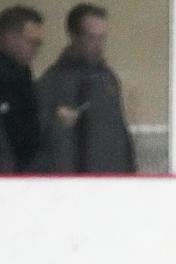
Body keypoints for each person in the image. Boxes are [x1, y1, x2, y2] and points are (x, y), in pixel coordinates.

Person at [34, 3, 135, 173]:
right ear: (74, 36)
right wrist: (57, 123)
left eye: (102, 38)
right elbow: (37, 140)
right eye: (92, 38)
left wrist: (130, 170)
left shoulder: (107, 79)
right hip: (72, 184)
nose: (99, 45)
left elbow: (120, 133)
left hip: (113, 181)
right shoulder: (51, 83)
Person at [0, 4, 43, 173]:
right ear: (9, 38)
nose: (35, 50)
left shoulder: (22, 74)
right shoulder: (11, 77)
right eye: (31, 42)